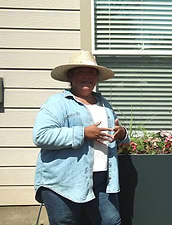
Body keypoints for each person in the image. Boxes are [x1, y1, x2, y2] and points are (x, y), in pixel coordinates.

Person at [32, 51, 130, 225]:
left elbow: (119, 136)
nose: (87, 76)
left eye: (92, 72)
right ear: (71, 75)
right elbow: (41, 135)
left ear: (97, 77)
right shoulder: (57, 103)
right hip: (62, 182)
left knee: (111, 221)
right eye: (81, 71)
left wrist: (122, 133)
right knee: (65, 222)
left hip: (102, 180)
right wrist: (82, 133)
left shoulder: (104, 104)